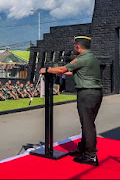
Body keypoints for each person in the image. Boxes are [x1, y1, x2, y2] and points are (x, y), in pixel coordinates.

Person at [40, 36, 102, 166]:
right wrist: (56, 71)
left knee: (87, 125)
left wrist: (47, 70)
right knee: (88, 123)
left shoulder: (82, 58)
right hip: (95, 93)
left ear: (78, 47)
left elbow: (63, 69)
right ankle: (83, 149)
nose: (74, 48)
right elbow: (73, 72)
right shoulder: (92, 58)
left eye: (74, 46)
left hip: (87, 93)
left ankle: (91, 156)